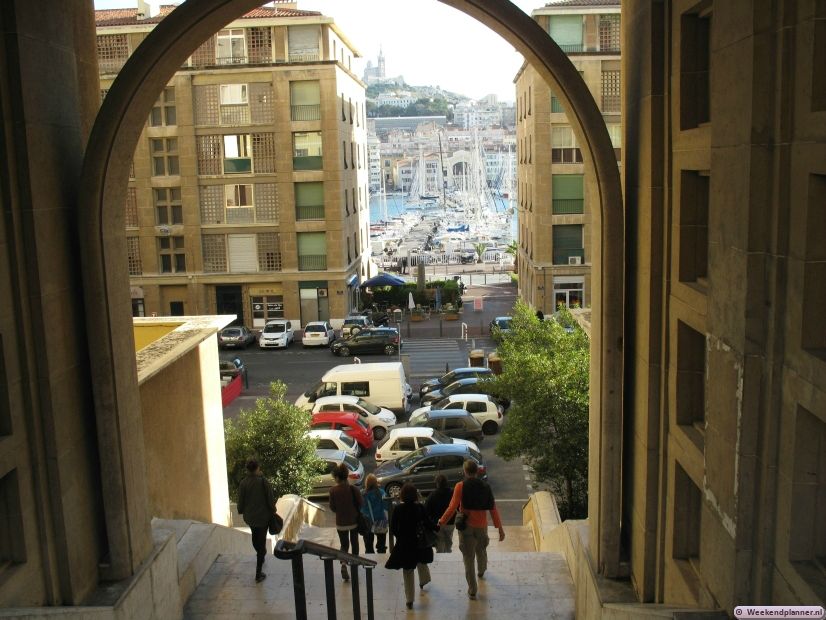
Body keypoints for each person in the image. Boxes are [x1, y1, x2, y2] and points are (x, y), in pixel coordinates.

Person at [439, 460, 505, 600]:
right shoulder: (486, 486)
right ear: (477, 471)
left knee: (468, 558)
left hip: (466, 527)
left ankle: (472, 590)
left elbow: (452, 507)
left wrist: (442, 522)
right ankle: (481, 570)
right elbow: (493, 509)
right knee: (481, 550)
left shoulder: (460, 486)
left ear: (465, 471)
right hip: (481, 526)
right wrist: (500, 528)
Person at [385, 483, 437, 610]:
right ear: (415, 495)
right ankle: (424, 580)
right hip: (419, 543)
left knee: (408, 571)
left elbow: (393, 528)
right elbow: (428, 523)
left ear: (402, 495)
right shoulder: (420, 507)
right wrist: (437, 527)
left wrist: (400, 537)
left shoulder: (398, 509)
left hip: (405, 545)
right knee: (421, 561)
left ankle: (409, 599)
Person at [236, 459, 277, 583]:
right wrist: (273, 510)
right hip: (263, 517)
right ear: (258, 468)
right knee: (261, 542)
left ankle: (261, 554)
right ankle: (258, 573)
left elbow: (240, 500)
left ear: (247, 469)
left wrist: (240, 510)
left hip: (250, 517)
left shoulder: (243, 483)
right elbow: (270, 498)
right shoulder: (263, 482)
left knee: (255, 538)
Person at [328, 463, 362, 581]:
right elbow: (360, 503)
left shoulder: (333, 490)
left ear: (337, 477)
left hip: (341, 523)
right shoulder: (353, 489)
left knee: (344, 545)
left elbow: (332, 508)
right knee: (354, 543)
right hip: (353, 522)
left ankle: (343, 563)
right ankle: (355, 564)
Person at [425, 474, 455, 553]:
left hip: (437, 523)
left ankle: (441, 554)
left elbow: (427, 510)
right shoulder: (452, 493)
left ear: (437, 483)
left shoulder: (432, 495)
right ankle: (448, 552)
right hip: (450, 521)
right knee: (449, 540)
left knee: (439, 542)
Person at [361, 474, 389, 553]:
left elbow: (361, 509)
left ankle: (370, 558)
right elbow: (386, 506)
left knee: (368, 545)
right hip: (381, 520)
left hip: (368, 521)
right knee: (381, 544)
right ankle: (381, 557)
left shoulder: (363, 494)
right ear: (376, 482)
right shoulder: (381, 492)